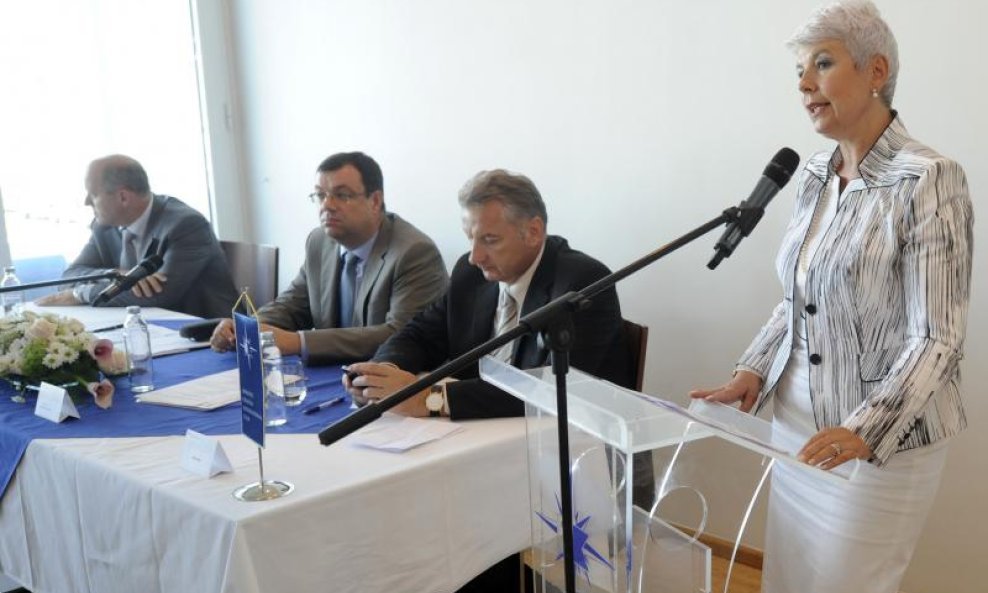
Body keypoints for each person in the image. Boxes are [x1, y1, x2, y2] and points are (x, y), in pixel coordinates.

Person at [689, 2, 972, 592]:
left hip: (878, 444)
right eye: (800, 70)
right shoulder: (815, 174)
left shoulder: (929, 178)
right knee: (789, 580)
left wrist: (867, 427)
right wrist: (752, 369)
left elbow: (937, 337)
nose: (804, 84)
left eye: (822, 63)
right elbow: (797, 295)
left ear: (876, 72)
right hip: (795, 428)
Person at [345, 168, 629, 592]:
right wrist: (380, 374)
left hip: (560, 460)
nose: (475, 255)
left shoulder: (582, 283)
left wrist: (430, 399)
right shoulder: (470, 273)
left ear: (533, 231)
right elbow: (419, 333)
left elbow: (545, 390)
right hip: (473, 445)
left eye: (490, 240)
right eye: (470, 239)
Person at [209, 151, 448, 365]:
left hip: (392, 378)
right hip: (334, 372)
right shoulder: (319, 242)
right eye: (320, 195)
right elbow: (292, 306)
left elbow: (399, 336)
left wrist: (298, 342)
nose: (327, 205)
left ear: (375, 201)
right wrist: (246, 328)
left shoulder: (413, 252)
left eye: (342, 195)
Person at [36, 155, 237, 319]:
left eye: (93, 194)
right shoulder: (104, 227)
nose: (86, 202)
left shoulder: (186, 225)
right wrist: (116, 275)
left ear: (123, 197)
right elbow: (69, 277)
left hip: (210, 335)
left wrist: (81, 293)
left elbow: (158, 296)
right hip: (144, 327)